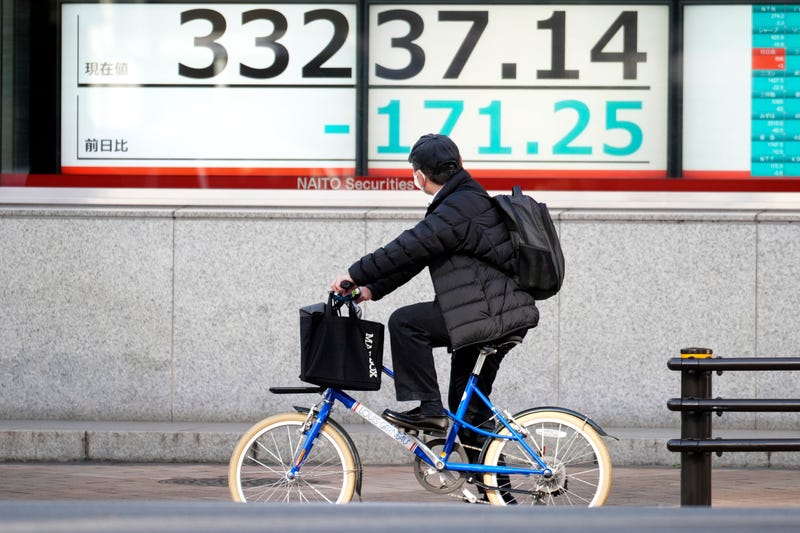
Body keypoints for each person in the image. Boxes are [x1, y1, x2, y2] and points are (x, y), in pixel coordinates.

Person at [331, 133, 538, 449]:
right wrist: (371, 289)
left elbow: (408, 246)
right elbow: (418, 256)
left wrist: (354, 274)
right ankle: (491, 479)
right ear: (460, 163)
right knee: (467, 408)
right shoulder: (465, 200)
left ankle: (429, 410)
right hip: (497, 313)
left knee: (405, 323)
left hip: (488, 313)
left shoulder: (457, 207)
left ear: (419, 176)